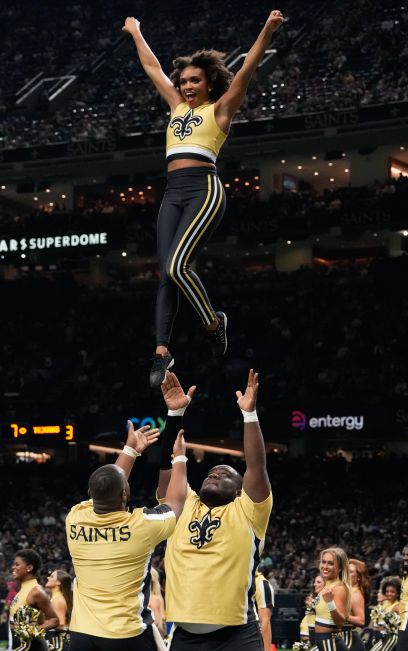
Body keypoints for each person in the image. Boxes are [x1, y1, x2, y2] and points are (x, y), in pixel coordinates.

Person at [124, 11, 286, 387]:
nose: (186, 86)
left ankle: (215, 323)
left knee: (179, 267)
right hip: (173, 192)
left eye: (194, 80)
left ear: (210, 81)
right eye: (182, 81)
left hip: (204, 189)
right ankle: (162, 352)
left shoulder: (221, 109)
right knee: (166, 274)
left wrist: (268, 28)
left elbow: (248, 66)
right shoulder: (176, 106)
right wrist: (136, 31)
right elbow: (151, 66)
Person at [154, 369, 272, 651]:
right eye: (210, 472)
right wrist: (175, 415)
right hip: (185, 644)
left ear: (239, 489)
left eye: (225, 474)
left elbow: (256, 465)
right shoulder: (183, 504)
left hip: (235, 645)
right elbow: (166, 467)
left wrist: (249, 415)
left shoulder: (249, 511)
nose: (214, 473)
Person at [62, 418, 190, 651]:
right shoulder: (141, 525)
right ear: (124, 495)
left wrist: (130, 451)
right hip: (128, 639)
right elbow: (176, 502)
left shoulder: (75, 519)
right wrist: (180, 457)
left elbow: (108, 486)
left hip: (82, 640)